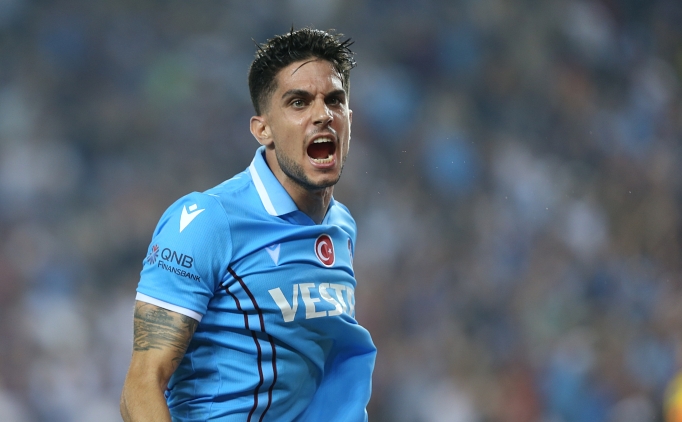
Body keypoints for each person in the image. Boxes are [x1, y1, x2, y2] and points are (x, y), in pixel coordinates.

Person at [119, 27, 376, 422]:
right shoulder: (206, 222)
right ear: (262, 129)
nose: (323, 115)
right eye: (298, 102)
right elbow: (141, 386)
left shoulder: (341, 226)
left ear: (349, 119)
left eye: (334, 101)